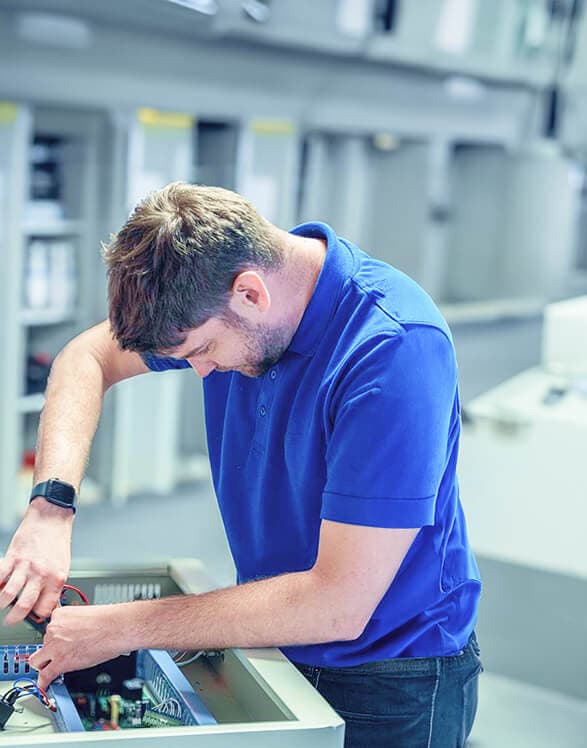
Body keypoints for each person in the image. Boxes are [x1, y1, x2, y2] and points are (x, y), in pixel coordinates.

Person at [0, 182, 482, 747]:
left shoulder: (392, 351)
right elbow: (87, 356)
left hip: (389, 677)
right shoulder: (215, 297)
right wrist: (50, 509)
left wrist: (121, 627)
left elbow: (338, 604)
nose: (201, 373)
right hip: (272, 637)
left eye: (201, 351)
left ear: (250, 293)